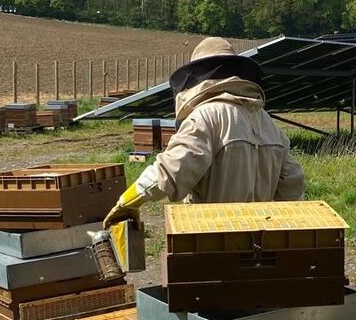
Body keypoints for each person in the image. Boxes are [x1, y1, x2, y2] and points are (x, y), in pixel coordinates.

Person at [104, 37, 305, 225]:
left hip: (213, 237)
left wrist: (129, 200)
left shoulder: (206, 116)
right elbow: (292, 184)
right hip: (260, 240)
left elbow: (172, 168)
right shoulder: (268, 123)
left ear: (197, 76)